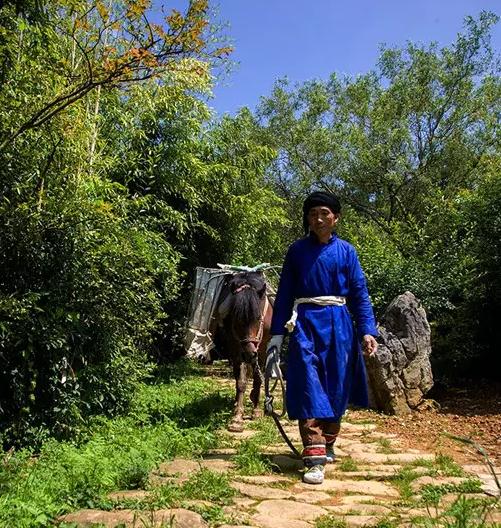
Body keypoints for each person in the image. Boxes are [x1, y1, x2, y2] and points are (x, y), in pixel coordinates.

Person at [266, 191, 378, 485]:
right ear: (307, 219)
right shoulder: (296, 252)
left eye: (324, 213)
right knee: (307, 383)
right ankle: (314, 459)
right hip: (305, 325)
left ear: (336, 217)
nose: (318, 219)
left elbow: (359, 294)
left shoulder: (347, 252)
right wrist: (276, 335)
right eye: (313, 214)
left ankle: (327, 443)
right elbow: (285, 295)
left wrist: (367, 329)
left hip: (340, 326)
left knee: (336, 389)